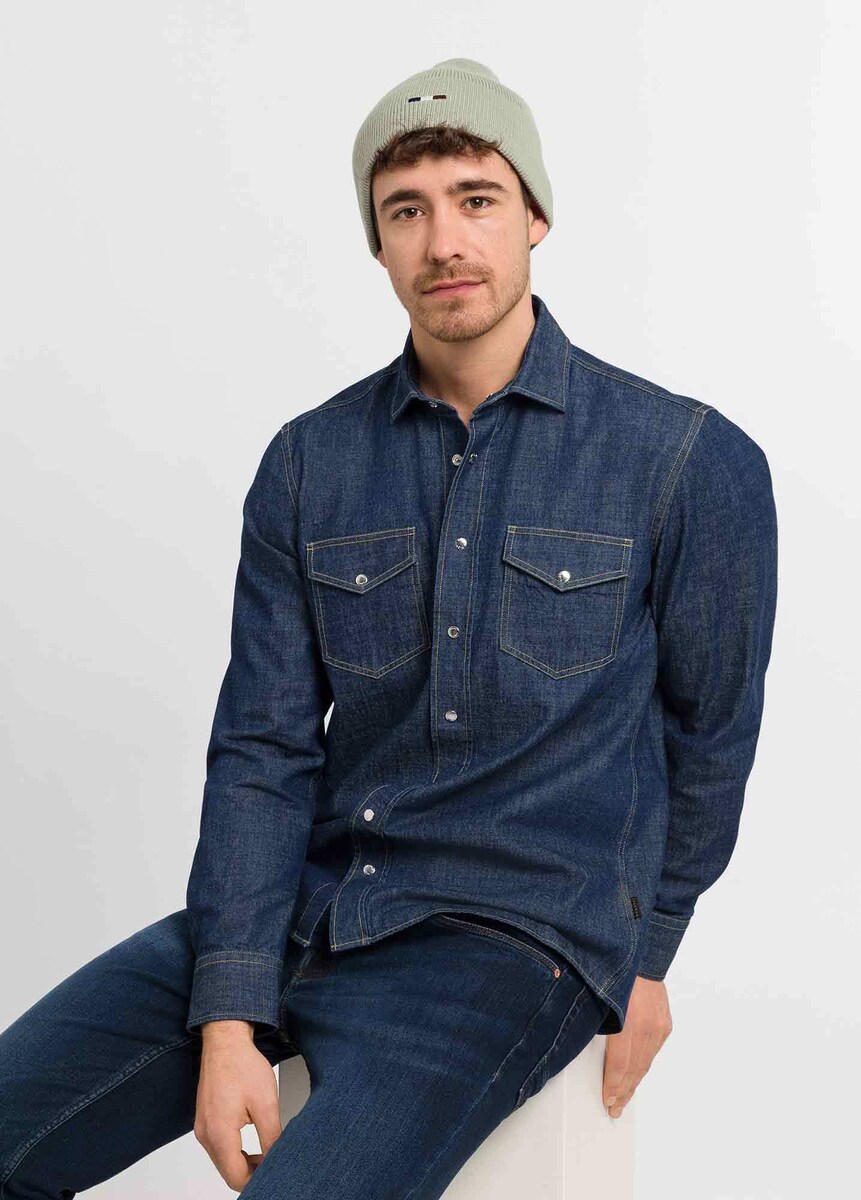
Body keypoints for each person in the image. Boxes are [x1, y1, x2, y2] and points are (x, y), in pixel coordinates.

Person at [0, 58, 778, 1198]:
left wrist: (648, 954)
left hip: (512, 945)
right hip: (311, 910)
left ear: (536, 218)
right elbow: (264, 750)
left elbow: (710, 737)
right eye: (406, 211)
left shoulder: (687, 461)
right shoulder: (310, 462)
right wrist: (230, 1010)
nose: (443, 242)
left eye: (476, 199)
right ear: (377, 244)